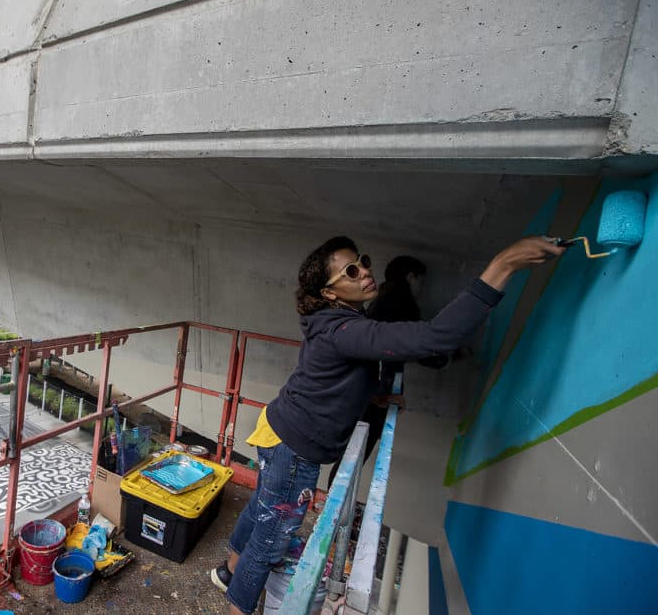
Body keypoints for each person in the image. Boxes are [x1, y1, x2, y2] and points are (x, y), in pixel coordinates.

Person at [211, 235, 565, 615]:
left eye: (362, 261)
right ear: (329, 293)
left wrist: (374, 396)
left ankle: (228, 572)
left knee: (261, 513)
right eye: (350, 271)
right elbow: (435, 337)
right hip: (293, 448)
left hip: (279, 429)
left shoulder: (340, 321)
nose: (364, 271)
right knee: (270, 539)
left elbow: (339, 376)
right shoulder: (344, 329)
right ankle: (237, 605)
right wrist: (503, 265)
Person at [325, 254, 445, 487]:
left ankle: (332, 503)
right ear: (411, 276)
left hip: (367, 387)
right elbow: (415, 344)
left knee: (353, 449)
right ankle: (333, 504)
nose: (421, 288)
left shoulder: (383, 299)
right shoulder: (401, 301)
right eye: (421, 280)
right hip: (375, 390)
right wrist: (447, 358)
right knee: (357, 450)